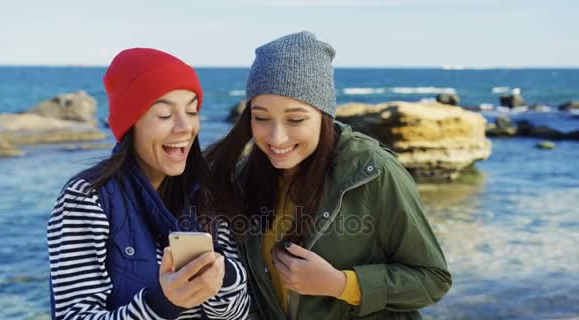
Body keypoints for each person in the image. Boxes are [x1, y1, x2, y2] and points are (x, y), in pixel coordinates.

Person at [206, 31, 451, 320]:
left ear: (323, 116)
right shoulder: (245, 176)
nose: (276, 136)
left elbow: (433, 280)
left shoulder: (373, 172)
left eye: (295, 119)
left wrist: (341, 284)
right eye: (261, 117)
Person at [47, 48, 249, 320]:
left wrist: (223, 274)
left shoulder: (207, 193)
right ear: (131, 123)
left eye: (191, 111)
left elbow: (235, 315)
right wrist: (162, 303)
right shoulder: (86, 198)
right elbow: (74, 315)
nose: (184, 127)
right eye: (165, 115)